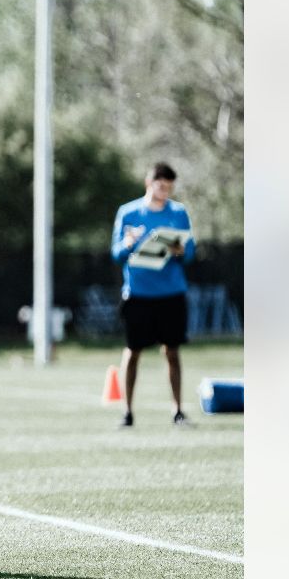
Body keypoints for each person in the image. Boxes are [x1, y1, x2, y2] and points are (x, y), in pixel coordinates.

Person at [110, 161, 197, 428]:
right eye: (161, 186)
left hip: (171, 293)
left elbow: (190, 252)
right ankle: (127, 412)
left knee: (172, 351)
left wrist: (182, 251)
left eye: (169, 188)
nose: (165, 192)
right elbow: (116, 254)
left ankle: (178, 410)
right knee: (133, 351)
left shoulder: (178, 213)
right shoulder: (129, 213)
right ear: (150, 184)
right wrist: (127, 245)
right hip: (138, 293)